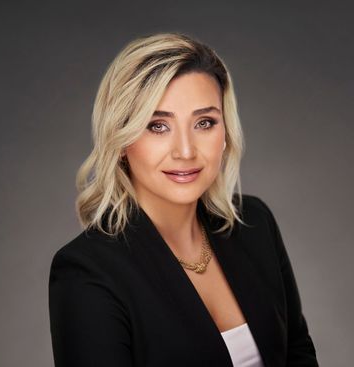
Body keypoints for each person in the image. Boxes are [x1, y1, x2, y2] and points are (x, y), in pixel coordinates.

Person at [48, 32, 319, 367]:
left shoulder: (254, 224)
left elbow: (298, 352)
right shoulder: (87, 271)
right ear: (121, 140)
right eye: (158, 126)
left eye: (204, 123)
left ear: (225, 132)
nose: (186, 151)